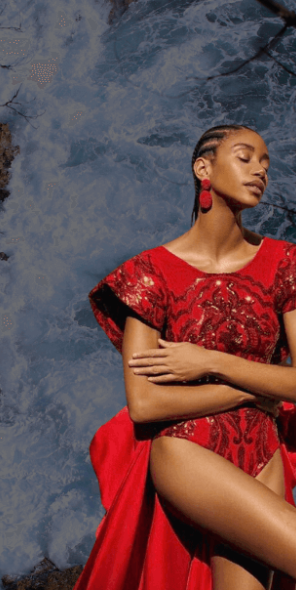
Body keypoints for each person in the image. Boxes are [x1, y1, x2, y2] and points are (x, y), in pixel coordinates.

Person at [71, 124, 296, 590]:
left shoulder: (286, 263)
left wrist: (211, 361)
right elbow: (145, 404)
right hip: (188, 452)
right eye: (246, 156)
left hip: (263, 451)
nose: (260, 171)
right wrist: (249, 391)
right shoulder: (149, 273)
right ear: (203, 168)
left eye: (266, 164)